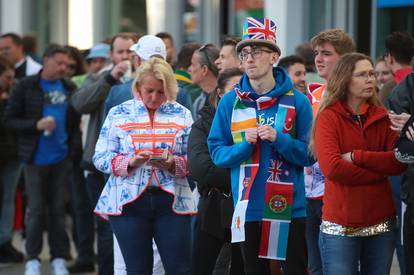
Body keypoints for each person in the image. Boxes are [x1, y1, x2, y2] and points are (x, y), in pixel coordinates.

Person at [208, 17, 313, 275]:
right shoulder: (231, 102)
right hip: (248, 209)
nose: (249, 59)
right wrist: (245, 145)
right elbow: (217, 153)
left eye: (257, 52)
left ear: (274, 57)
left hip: (289, 208)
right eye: (244, 54)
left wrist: (280, 140)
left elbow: (310, 155)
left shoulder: (298, 101)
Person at [93, 57, 196, 274]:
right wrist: (129, 162)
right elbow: (100, 157)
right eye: (149, 90)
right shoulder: (119, 113)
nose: (154, 97)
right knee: (137, 270)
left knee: (181, 269)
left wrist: (172, 164)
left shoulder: (182, 113)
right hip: (127, 203)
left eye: (161, 91)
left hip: (172, 200)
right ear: (138, 87)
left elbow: (194, 158)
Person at [310, 52, 406, 275]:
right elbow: (332, 168)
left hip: (381, 224)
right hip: (339, 225)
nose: (371, 79)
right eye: (362, 75)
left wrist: (357, 157)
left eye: (372, 73)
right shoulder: (328, 117)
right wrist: (379, 171)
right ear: (345, 79)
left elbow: (398, 162)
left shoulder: (383, 116)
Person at [3, 44, 81, 275]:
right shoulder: (26, 86)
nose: (64, 68)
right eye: (59, 63)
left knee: (58, 211)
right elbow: (9, 120)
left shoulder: (68, 87)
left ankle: (59, 257)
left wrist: (72, 151)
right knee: (35, 210)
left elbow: (75, 125)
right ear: (46, 61)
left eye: (67, 65)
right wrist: (34, 125)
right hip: (34, 158)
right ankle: (32, 258)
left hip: (61, 158)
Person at [71, 32, 138, 275]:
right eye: (120, 52)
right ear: (111, 55)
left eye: (130, 51)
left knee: (132, 227)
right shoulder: (102, 78)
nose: (125, 57)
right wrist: (110, 78)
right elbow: (79, 103)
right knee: (105, 225)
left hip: (135, 166)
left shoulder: (148, 80)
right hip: (100, 164)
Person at [305, 28, 355, 275]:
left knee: (338, 268)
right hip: (307, 194)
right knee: (314, 268)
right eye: (316, 53)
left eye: (326, 53)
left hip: (338, 195)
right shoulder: (312, 94)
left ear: (344, 59)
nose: (318, 59)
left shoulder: (354, 97)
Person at [189, 68, 244, 275]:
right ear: (220, 92)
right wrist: (242, 175)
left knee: (242, 268)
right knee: (203, 267)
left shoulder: (256, 122)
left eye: (246, 88)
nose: (242, 94)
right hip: (213, 208)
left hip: (245, 209)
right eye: (236, 88)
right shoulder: (203, 124)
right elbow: (201, 169)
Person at [0, 56, 24, 265]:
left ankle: (4, 240)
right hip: (9, 155)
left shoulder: (10, 97)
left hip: (11, 156)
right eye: (7, 77)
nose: (11, 81)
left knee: (8, 200)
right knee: (7, 200)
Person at [188, 44, 219, 120]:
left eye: (193, 64)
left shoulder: (225, 98)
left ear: (204, 69)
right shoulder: (198, 101)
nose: (189, 69)